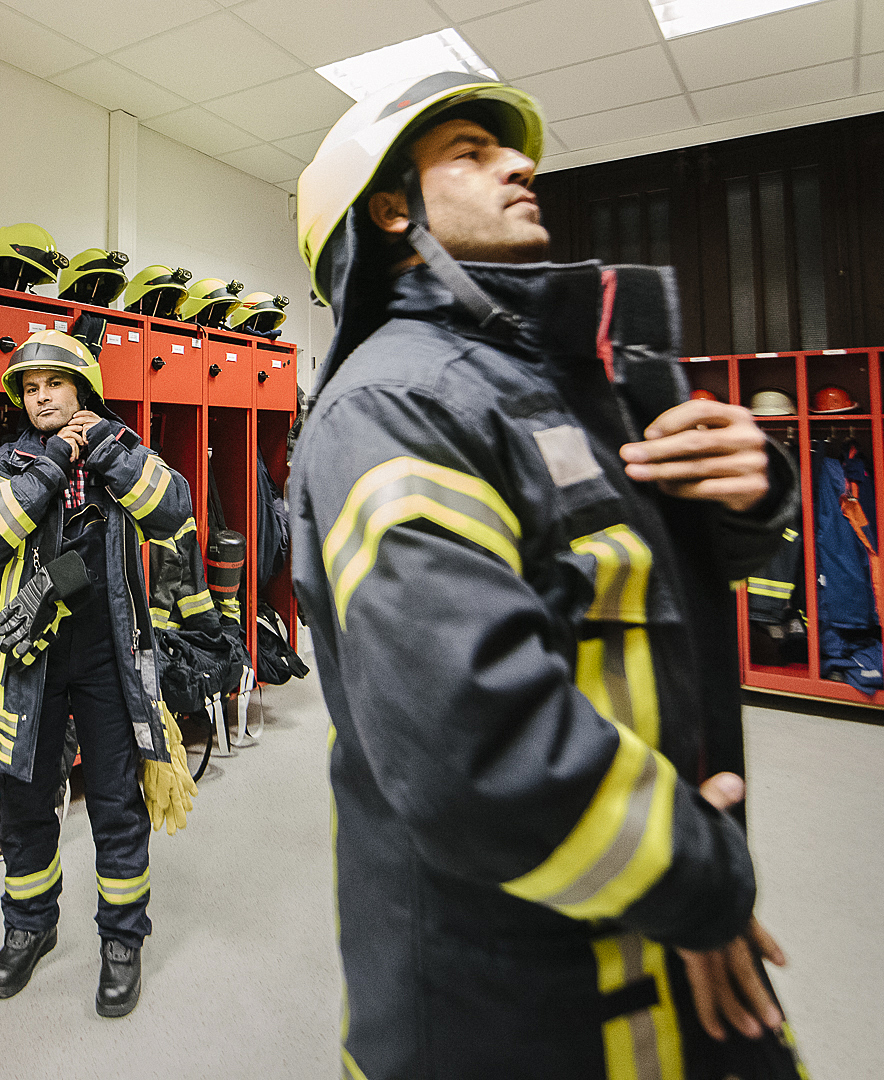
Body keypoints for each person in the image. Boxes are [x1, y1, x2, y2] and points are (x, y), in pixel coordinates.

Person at [289, 71, 806, 1078]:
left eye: (509, 149)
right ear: (392, 210)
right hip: (509, 991)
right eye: (470, 152)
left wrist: (750, 496)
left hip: (646, 908)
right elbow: (472, 743)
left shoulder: (546, 379)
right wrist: (704, 883)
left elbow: (636, 592)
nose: (522, 164)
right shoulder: (397, 404)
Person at [0, 329, 198, 1018]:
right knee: (26, 803)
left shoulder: (122, 447)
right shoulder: (6, 462)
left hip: (107, 656)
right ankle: (28, 926)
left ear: (83, 388)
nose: (40, 399)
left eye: (53, 386)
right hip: (28, 660)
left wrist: (108, 453)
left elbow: (173, 509)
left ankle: (123, 940)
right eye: (30, 390)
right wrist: (55, 462)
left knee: (117, 800)